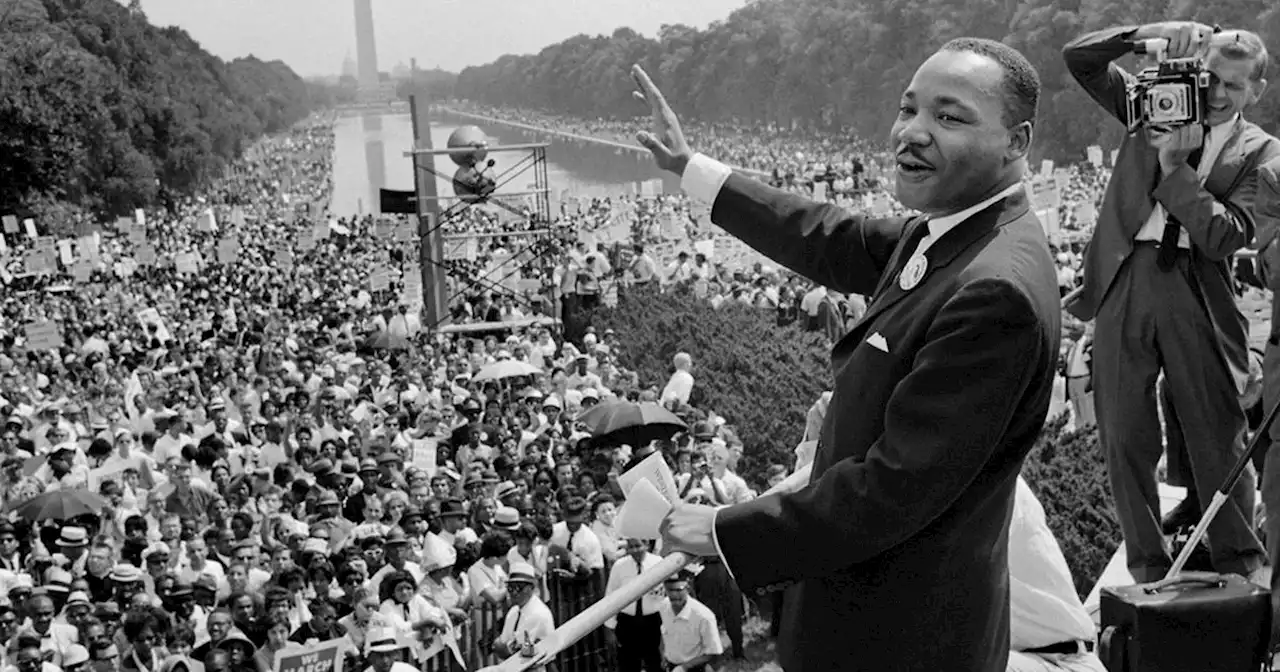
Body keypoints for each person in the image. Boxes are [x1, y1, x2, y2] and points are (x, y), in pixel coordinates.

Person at [636, 35, 1062, 672]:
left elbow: (893, 490)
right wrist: (692, 168)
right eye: (908, 108)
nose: (913, 132)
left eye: (949, 117)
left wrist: (726, 530)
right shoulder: (952, 230)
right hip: (871, 613)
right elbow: (828, 237)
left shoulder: (993, 288)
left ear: (1017, 142)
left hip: (901, 635)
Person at [1062, 21, 1278, 582]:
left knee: (1217, 429)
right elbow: (1080, 59)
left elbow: (1228, 236)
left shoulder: (1264, 153)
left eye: (1234, 85)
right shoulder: (1153, 102)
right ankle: (1147, 565)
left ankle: (1240, 561)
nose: (1217, 93)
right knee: (1123, 430)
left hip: (1197, 285)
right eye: (1211, 78)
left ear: (1257, 90)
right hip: (1123, 275)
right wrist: (1145, 33)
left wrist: (1175, 172)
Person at [655, 573, 722, 672]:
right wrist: (663, 654)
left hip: (696, 668)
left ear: (688, 588)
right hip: (671, 667)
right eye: (670, 590)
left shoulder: (704, 616)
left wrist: (684, 667)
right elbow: (665, 633)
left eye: (678, 590)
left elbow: (713, 652)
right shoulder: (663, 607)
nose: (674, 595)